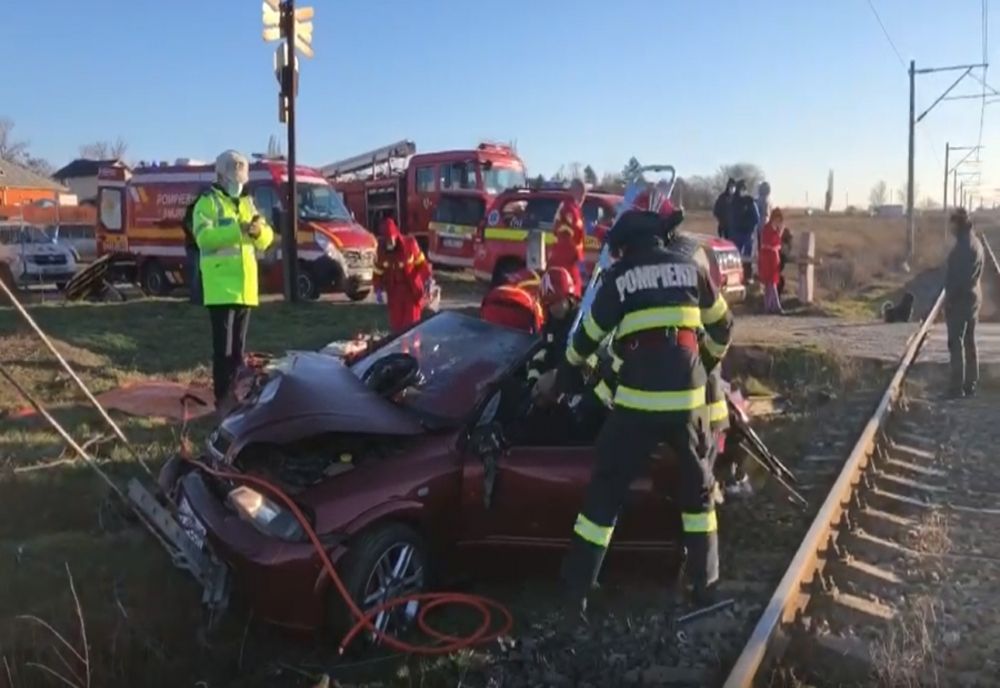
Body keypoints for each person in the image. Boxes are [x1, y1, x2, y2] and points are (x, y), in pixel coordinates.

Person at [539, 203, 734, 617]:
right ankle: (705, 587)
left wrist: (567, 376)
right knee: (699, 497)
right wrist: (705, 365)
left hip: (636, 405)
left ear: (625, 247)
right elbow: (723, 326)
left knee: (605, 493)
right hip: (687, 403)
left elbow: (586, 340)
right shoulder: (689, 269)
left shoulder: (620, 277)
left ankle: (577, 591)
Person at [191, 150, 274, 408]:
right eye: (233, 177)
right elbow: (203, 238)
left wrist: (259, 231)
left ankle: (237, 396)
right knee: (223, 351)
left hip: (245, 288)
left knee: (238, 351)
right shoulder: (208, 203)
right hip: (220, 287)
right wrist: (235, 230)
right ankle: (223, 399)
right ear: (221, 176)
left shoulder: (247, 203)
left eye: (240, 178)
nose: (237, 183)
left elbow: (268, 238)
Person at [945, 208, 984, 398]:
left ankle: (955, 387)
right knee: (969, 340)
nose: (950, 227)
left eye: (952, 223)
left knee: (956, 342)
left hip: (961, 300)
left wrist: (949, 301)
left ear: (957, 224)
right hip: (974, 297)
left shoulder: (962, 247)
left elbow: (957, 280)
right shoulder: (976, 242)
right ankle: (971, 383)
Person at [373, 217, 434, 334]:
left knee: (412, 327)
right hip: (394, 292)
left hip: (411, 292)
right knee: (397, 327)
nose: (390, 243)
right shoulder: (381, 251)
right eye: (387, 240)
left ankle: (413, 350)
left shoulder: (410, 245)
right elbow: (378, 271)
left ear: (396, 235)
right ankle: (400, 350)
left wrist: (428, 280)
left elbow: (422, 264)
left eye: (392, 239)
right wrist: (378, 288)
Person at [550, 179, 587, 295]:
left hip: (569, 258)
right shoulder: (569, 209)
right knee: (569, 289)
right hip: (566, 258)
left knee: (574, 286)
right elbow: (571, 233)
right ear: (574, 191)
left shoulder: (572, 208)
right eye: (582, 193)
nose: (583, 197)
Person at [731, 180, 761, 284]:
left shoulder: (748, 201)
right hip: (739, 233)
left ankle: (745, 276)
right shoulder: (736, 201)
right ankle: (740, 277)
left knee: (744, 256)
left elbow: (756, 218)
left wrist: (750, 227)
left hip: (744, 233)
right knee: (737, 256)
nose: (741, 191)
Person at [758, 207, 784, 314]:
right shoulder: (767, 229)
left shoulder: (774, 229)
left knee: (771, 283)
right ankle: (776, 306)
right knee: (771, 282)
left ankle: (768, 306)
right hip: (767, 257)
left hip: (773, 257)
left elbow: (778, 244)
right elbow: (770, 243)